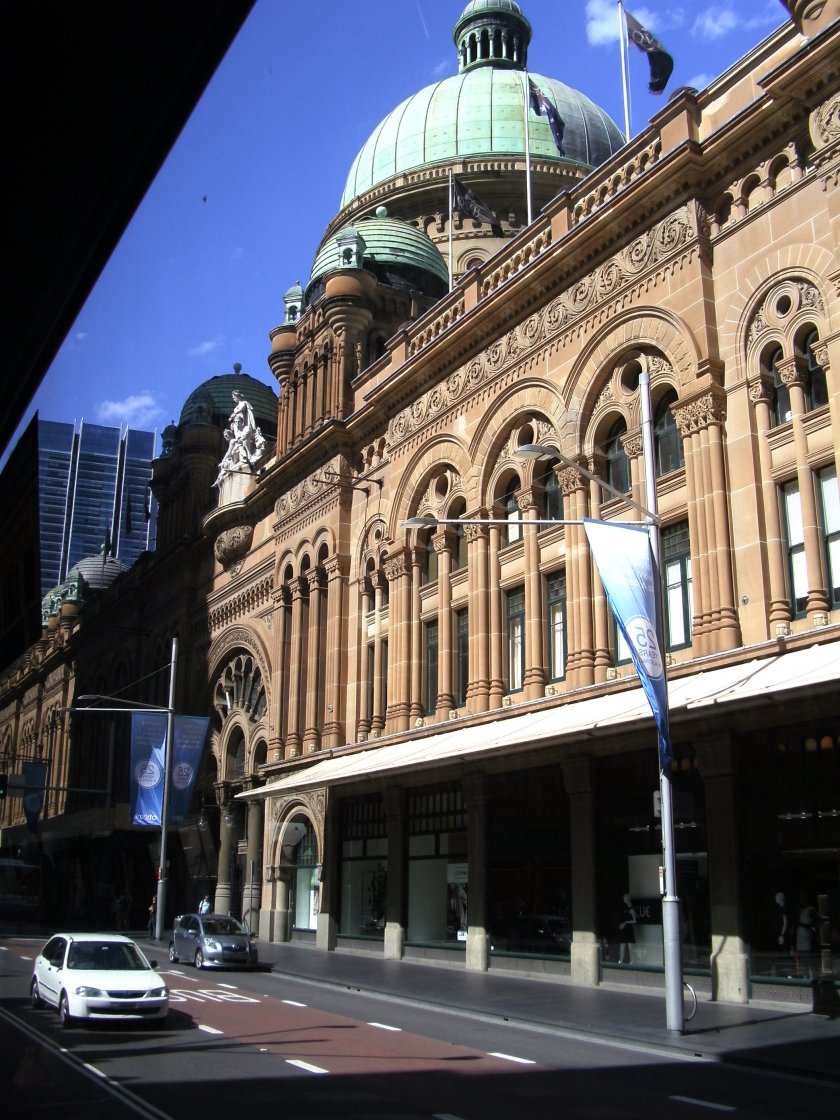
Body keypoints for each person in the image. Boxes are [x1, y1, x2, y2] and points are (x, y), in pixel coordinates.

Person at [618, 893, 637, 964]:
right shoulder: (626, 909)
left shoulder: (631, 909)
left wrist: (625, 922)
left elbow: (634, 920)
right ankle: (620, 960)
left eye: (624, 898)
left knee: (629, 946)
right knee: (622, 945)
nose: (624, 900)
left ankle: (632, 961)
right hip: (625, 929)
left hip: (629, 929)